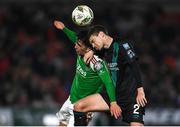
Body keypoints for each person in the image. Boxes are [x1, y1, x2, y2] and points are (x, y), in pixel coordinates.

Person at [74, 25, 147, 126]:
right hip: (113, 95)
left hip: (131, 98)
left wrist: (140, 90)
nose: (93, 45)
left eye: (93, 41)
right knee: (79, 106)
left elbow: (134, 65)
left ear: (101, 35)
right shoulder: (101, 51)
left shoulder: (123, 45)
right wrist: (91, 51)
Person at [54, 21, 121, 126]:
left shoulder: (97, 63)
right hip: (71, 99)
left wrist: (113, 102)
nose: (75, 46)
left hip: (83, 106)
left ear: (88, 48)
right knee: (62, 123)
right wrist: (64, 28)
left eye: (78, 45)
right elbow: (74, 37)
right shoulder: (81, 49)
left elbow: (108, 82)